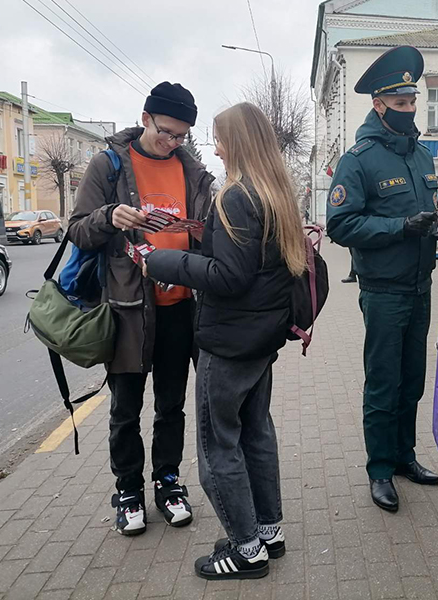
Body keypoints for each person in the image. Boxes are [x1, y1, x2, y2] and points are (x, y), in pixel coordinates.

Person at [145, 102, 305, 580]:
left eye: (218, 138)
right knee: (257, 434)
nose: (212, 147)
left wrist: (162, 262)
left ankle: (245, 548)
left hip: (229, 339)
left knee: (219, 446)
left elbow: (229, 277)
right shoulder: (276, 191)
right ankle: (266, 531)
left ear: (237, 141)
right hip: (260, 337)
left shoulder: (236, 196)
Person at [69, 82, 212, 536]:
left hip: (180, 308)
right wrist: (108, 216)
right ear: (146, 118)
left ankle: (168, 483)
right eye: (167, 132)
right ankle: (128, 491)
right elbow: (75, 231)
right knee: (125, 408)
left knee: (171, 405)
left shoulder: (193, 173)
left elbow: (209, 234)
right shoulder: (109, 165)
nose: (173, 143)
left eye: (182, 136)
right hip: (127, 309)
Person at [327, 45, 438, 514]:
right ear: (379, 105)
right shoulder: (359, 159)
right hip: (384, 290)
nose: (410, 110)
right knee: (382, 384)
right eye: (400, 104)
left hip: (420, 287)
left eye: (413, 101)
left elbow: (429, 214)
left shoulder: (422, 155)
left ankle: (404, 457)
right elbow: (340, 225)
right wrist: (401, 227)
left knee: (412, 380)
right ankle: (379, 470)